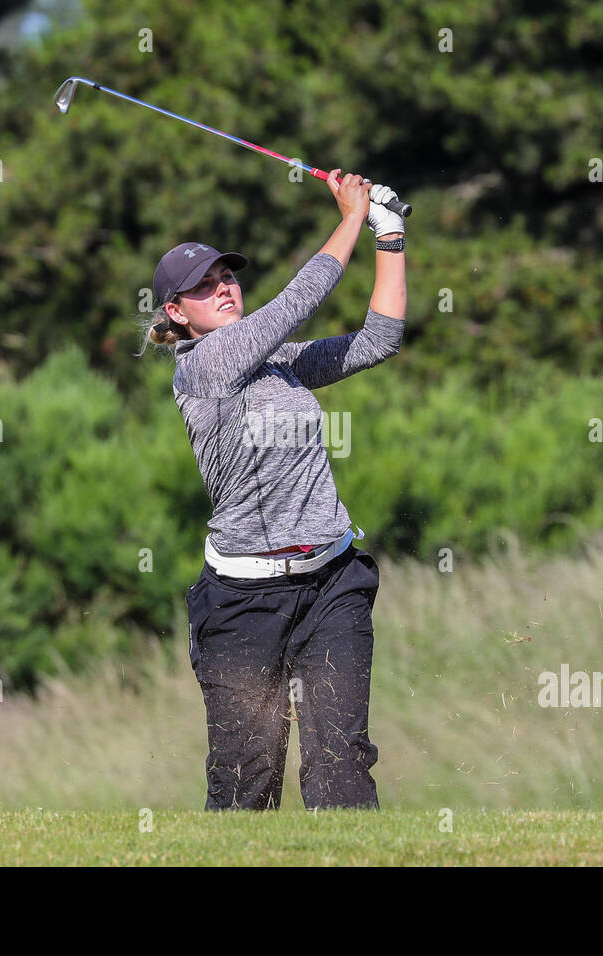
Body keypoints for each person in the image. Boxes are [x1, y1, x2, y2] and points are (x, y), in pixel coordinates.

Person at [137, 171, 407, 810]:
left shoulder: (279, 360)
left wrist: (388, 235)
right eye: (201, 287)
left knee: (342, 769)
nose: (221, 287)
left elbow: (379, 341)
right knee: (244, 786)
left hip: (331, 581)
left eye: (225, 276)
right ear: (177, 312)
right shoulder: (205, 367)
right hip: (243, 602)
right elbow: (293, 303)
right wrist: (350, 216)